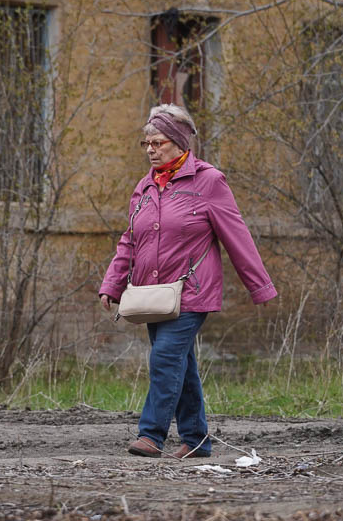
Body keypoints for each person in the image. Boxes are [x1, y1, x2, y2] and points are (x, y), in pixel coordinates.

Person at [99, 104, 277, 459]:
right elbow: (130, 239)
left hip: (193, 290)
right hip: (154, 294)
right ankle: (196, 440)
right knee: (181, 364)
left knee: (165, 357)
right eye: (146, 143)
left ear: (179, 143)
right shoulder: (145, 187)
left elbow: (236, 235)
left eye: (159, 142)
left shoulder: (209, 181)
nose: (151, 149)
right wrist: (112, 283)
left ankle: (151, 434)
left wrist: (260, 286)